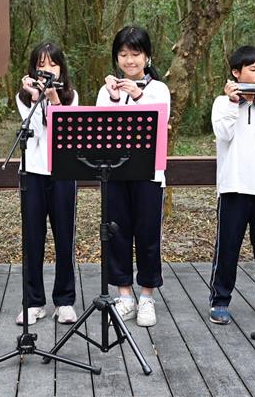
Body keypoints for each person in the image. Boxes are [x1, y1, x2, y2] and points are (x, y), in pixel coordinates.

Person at [95, 26, 171, 327]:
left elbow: (161, 123)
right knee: (117, 233)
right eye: (123, 54)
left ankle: (147, 297)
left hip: (149, 174)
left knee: (148, 235)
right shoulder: (106, 91)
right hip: (114, 173)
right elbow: (99, 129)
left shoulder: (158, 89)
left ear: (147, 57)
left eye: (136, 54)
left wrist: (138, 95)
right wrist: (114, 98)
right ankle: (124, 294)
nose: (129, 60)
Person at [208, 46, 255, 326]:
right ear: (236, 72)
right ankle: (220, 300)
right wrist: (233, 102)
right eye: (252, 69)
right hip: (233, 186)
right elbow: (224, 133)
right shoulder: (222, 103)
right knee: (228, 248)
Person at [15, 42, 79, 325]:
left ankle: (64, 301)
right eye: (42, 65)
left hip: (63, 172)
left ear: (61, 68)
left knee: (64, 237)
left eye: (53, 64)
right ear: (33, 69)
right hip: (32, 172)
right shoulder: (22, 97)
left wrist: (54, 101)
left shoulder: (71, 96)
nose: (48, 70)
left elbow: (62, 134)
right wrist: (35, 99)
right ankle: (33, 302)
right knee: (32, 239)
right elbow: (36, 134)